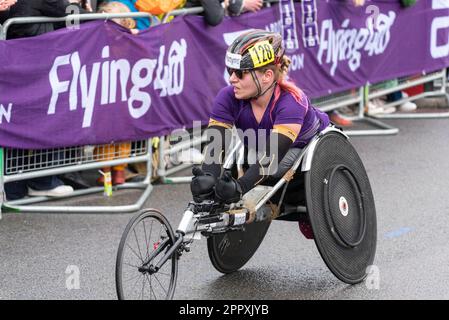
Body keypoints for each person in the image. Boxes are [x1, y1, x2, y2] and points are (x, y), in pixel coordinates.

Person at [190, 30, 330, 237]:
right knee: (237, 163)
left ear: (267, 76)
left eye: (240, 73)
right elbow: (215, 145)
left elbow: (272, 158)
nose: (231, 79)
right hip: (261, 145)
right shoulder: (227, 97)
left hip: (300, 147)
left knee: (272, 167)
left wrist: (240, 187)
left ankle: (302, 205)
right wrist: (209, 179)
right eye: (230, 71)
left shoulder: (291, 101)